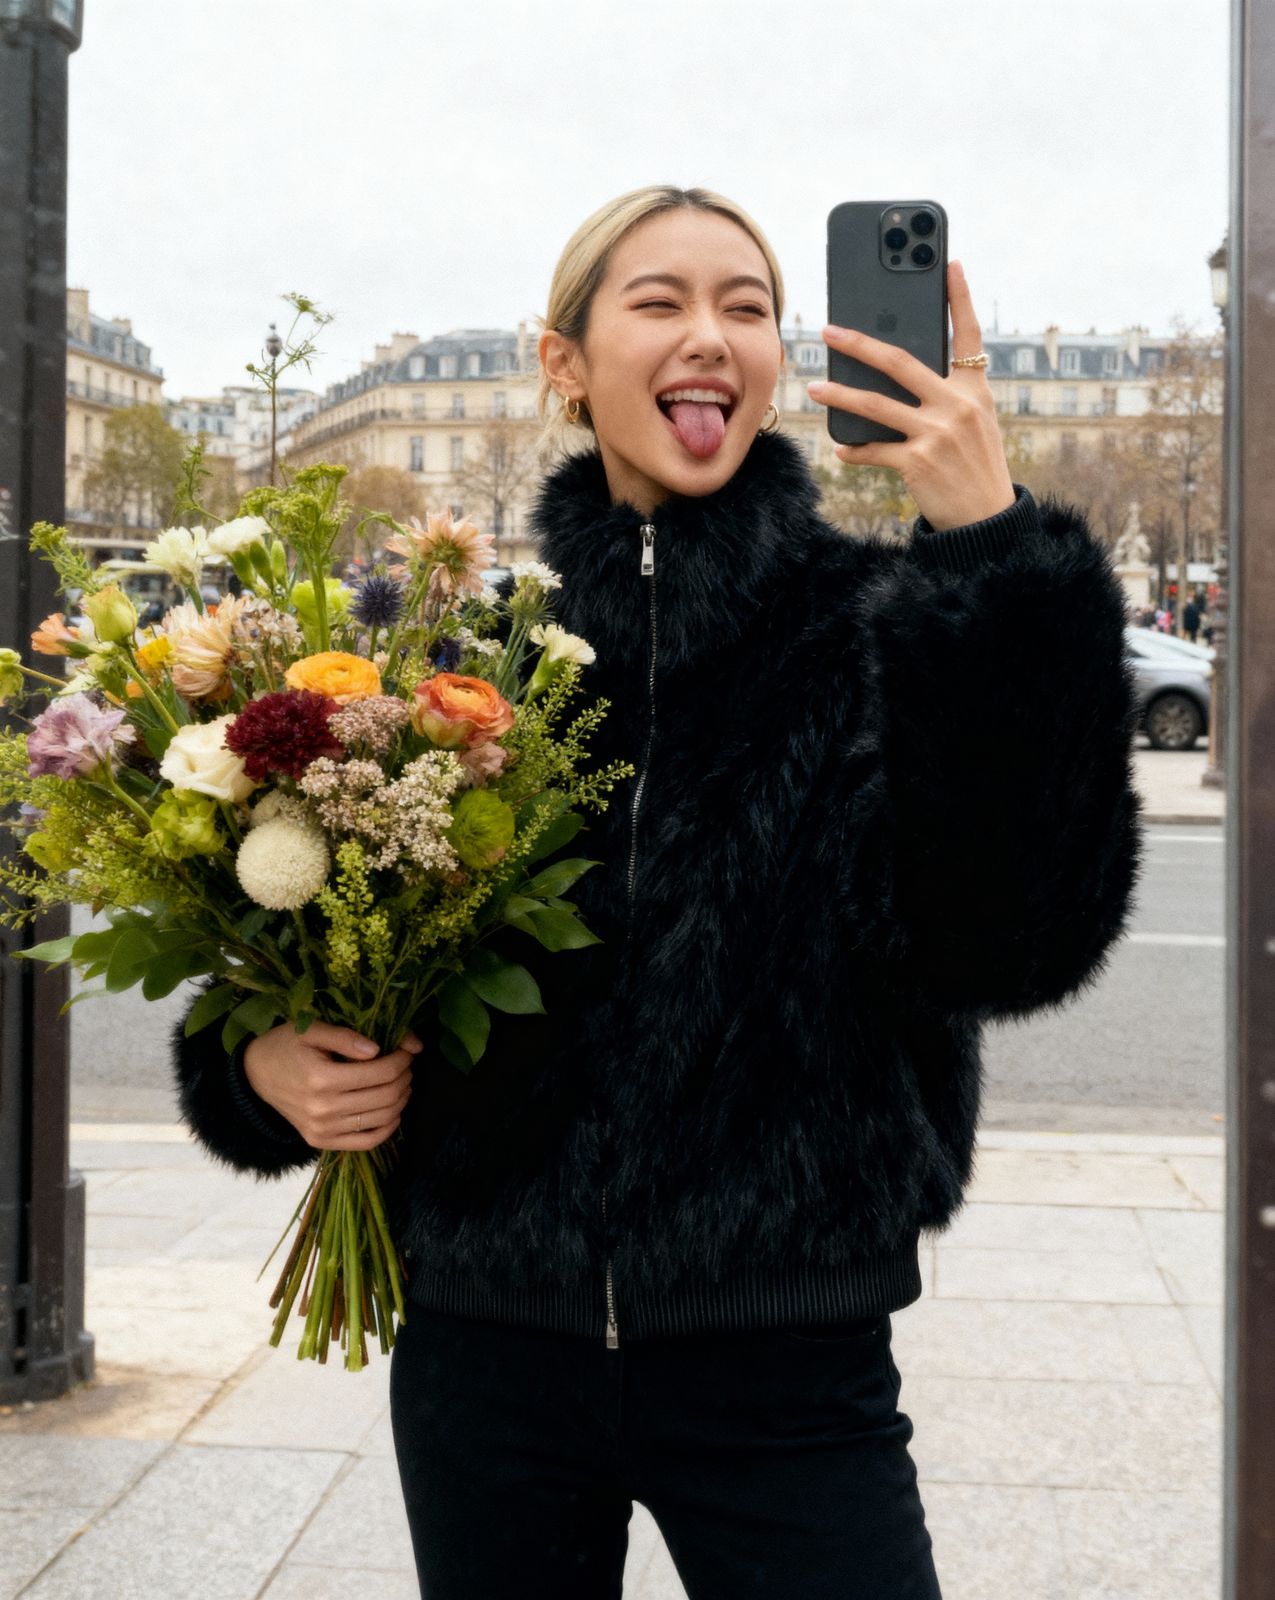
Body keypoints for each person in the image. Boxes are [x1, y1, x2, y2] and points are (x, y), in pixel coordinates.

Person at [171, 185, 1143, 1599]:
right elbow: (278, 958)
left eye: (747, 308)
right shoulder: (463, 658)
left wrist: (991, 554)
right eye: (661, 301)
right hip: (486, 1359)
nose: (711, 336)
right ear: (562, 361)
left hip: (788, 1364)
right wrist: (260, 1070)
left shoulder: (885, 630)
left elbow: (1018, 940)